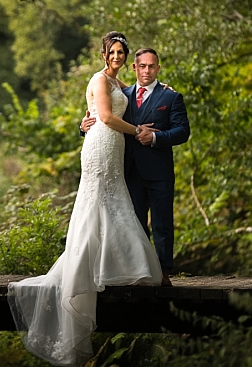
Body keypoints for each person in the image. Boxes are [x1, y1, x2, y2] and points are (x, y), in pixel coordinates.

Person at [7, 31, 163, 367]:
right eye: (115, 52)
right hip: (102, 146)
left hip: (110, 146)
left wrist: (87, 123)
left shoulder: (119, 84)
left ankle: (112, 265)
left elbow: (94, 114)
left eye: (123, 53)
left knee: (112, 202)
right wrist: (133, 131)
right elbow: (104, 117)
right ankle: (90, 270)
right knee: (100, 202)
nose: (119, 57)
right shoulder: (100, 78)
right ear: (104, 52)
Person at [80, 45, 190, 287]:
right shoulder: (124, 93)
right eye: (142, 66)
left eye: (151, 66)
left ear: (158, 68)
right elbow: (103, 114)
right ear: (134, 68)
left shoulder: (171, 96)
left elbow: (183, 132)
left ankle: (163, 273)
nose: (146, 71)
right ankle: (138, 270)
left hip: (159, 170)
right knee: (135, 223)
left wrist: (155, 138)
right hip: (128, 169)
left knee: (162, 224)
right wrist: (84, 125)